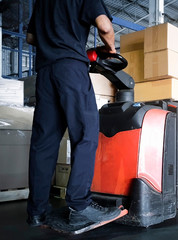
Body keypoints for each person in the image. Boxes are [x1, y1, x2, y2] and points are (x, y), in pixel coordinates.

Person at [26, 0, 122, 227]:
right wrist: (111, 49)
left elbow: (31, 38)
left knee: (44, 143)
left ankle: (37, 212)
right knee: (86, 135)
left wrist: (53, 42)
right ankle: (79, 204)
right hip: (71, 69)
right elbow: (105, 27)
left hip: (45, 73)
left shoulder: (41, 2)